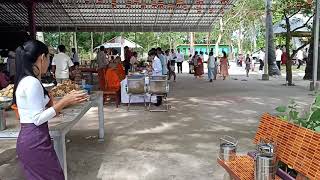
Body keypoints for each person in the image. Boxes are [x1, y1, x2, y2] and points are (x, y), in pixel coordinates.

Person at [13, 40, 88, 180]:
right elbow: (37, 118)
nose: (49, 62)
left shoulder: (27, 80)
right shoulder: (31, 82)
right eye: (48, 58)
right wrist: (64, 102)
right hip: (34, 139)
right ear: (42, 58)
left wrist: (58, 102)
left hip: (33, 138)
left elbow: (38, 109)